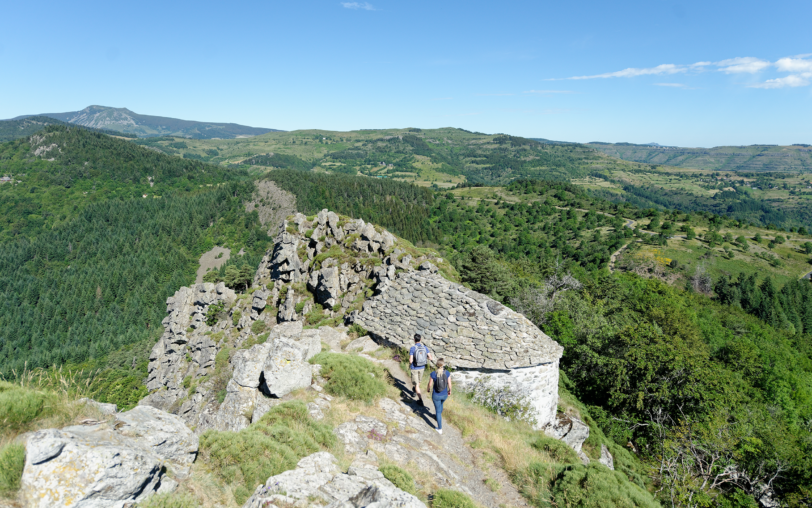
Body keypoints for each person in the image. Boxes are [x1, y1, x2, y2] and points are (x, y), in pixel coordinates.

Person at [427, 358, 451, 435]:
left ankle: (440, 429)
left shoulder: (433, 374)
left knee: (438, 411)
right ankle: (438, 418)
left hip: (436, 395)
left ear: (437, 365)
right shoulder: (447, 373)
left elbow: (430, 384)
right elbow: (449, 384)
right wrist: (449, 391)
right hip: (444, 395)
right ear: (443, 365)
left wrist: (428, 389)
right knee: (441, 405)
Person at [409, 334, 433, 406]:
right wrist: (426, 358)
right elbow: (430, 358)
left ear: (414, 339)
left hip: (414, 368)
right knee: (418, 382)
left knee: (416, 384)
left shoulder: (412, 348)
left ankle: (420, 400)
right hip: (422, 367)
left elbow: (410, 361)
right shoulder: (425, 347)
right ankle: (415, 389)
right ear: (420, 339)